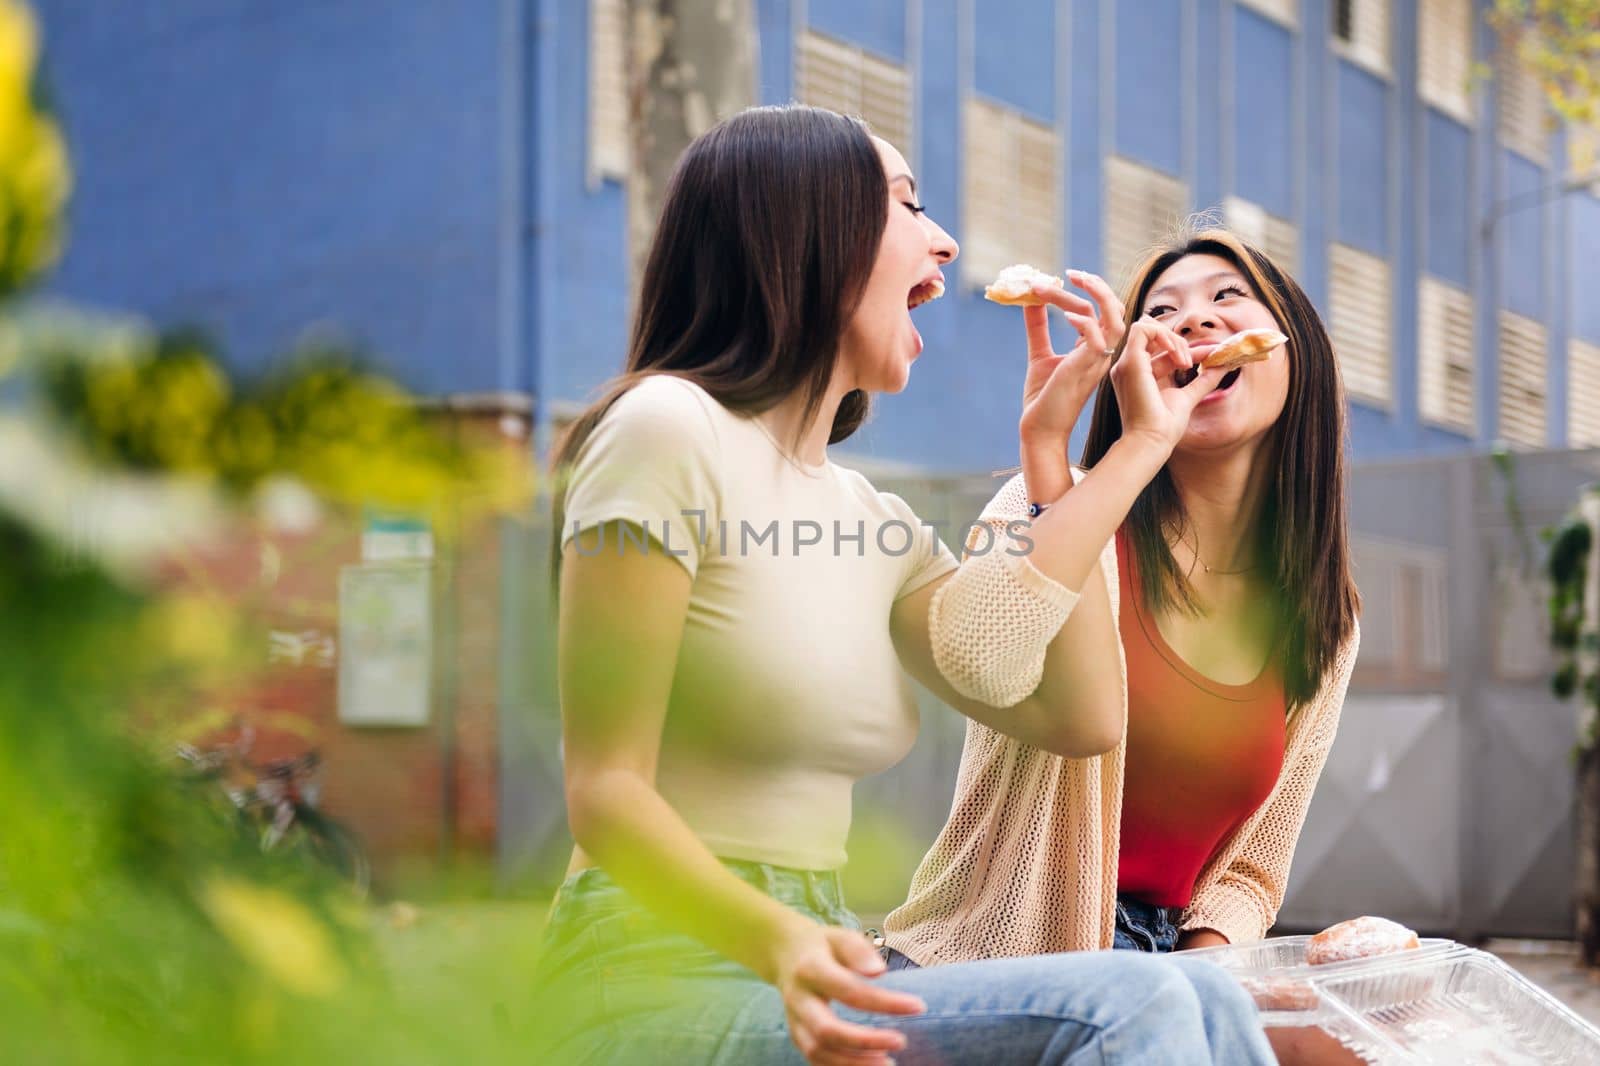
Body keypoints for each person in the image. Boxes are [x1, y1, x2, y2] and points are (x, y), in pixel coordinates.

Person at [533, 105, 1275, 1065]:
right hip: (641, 975)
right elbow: (604, 792)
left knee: (1200, 1000)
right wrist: (783, 942)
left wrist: (1113, 454)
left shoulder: (869, 519)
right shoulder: (666, 431)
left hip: (816, 952)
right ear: (805, 232)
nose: (947, 239)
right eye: (908, 204)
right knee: (1126, 1006)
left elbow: (1079, 716)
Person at [883, 228, 1361, 968]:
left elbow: (1251, 871)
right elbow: (981, 661)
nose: (1194, 322)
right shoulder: (1051, 505)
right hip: (985, 963)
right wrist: (1047, 459)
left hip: (1166, 970)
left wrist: (1207, 978)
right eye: (1163, 314)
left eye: (1227, 298)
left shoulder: (1324, 616)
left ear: (1297, 348)